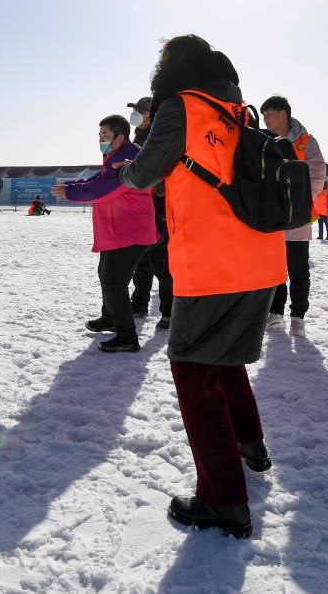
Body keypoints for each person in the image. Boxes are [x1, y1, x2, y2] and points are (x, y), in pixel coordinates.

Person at [118, 34, 284, 539]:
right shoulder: (237, 111)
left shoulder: (181, 107)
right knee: (223, 357)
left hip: (212, 263)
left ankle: (223, 499)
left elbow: (144, 174)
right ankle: (250, 445)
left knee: (192, 369)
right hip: (261, 257)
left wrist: (124, 165)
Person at [52, 115, 157, 353]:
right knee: (106, 275)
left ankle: (127, 335)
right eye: (100, 135)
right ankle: (109, 317)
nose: (100, 140)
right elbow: (99, 179)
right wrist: (72, 187)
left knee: (113, 280)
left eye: (105, 136)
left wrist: (70, 193)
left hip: (131, 230)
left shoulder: (128, 159)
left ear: (120, 137)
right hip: (118, 229)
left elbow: (106, 187)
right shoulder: (115, 157)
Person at [260, 96, 327, 338]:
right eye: (264, 114)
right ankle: (275, 313)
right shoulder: (263, 140)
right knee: (273, 268)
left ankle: (298, 316)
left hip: (297, 216)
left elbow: (318, 171)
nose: (266, 119)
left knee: (298, 269)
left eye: (270, 113)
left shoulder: (306, 141)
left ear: (284, 114)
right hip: (271, 216)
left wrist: (301, 199)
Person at [128, 96, 173, 331]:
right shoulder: (137, 137)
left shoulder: (160, 139)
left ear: (152, 115)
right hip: (140, 209)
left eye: (140, 112)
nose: (135, 116)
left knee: (162, 263)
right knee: (141, 260)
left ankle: (168, 312)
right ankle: (139, 304)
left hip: (159, 207)